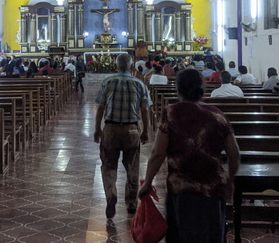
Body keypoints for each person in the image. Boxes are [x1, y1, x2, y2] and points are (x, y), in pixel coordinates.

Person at [138, 68, 240, 243]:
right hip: (212, 187)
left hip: (181, 189)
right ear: (202, 87)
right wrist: (230, 179)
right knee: (211, 235)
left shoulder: (171, 113)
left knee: (181, 235)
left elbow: (158, 153)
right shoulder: (217, 115)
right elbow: (234, 153)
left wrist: (147, 182)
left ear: (178, 88)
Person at [94, 53, 152, 218]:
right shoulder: (139, 84)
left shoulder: (108, 82)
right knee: (132, 167)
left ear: (116, 65)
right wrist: (146, 130)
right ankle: (131, 204)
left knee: (108, 165)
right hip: (131, 130)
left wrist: (97, 128)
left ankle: (111, 194)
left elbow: (100, 107)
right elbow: (145, 109)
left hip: (111, 129)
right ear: (131, 66)